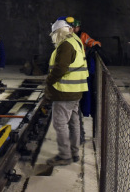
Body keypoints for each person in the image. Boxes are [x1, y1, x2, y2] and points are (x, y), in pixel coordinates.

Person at [44, 18, 88, 166]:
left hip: (65, 92)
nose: (53, 38)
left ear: (59, 32)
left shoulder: (65, 45)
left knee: (60, 124)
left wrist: (49, 81)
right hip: (76, 91)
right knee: (74, 123)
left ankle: (65, 155)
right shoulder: (75, 41)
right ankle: (75, 153)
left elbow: (60, 68)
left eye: (54, 34)